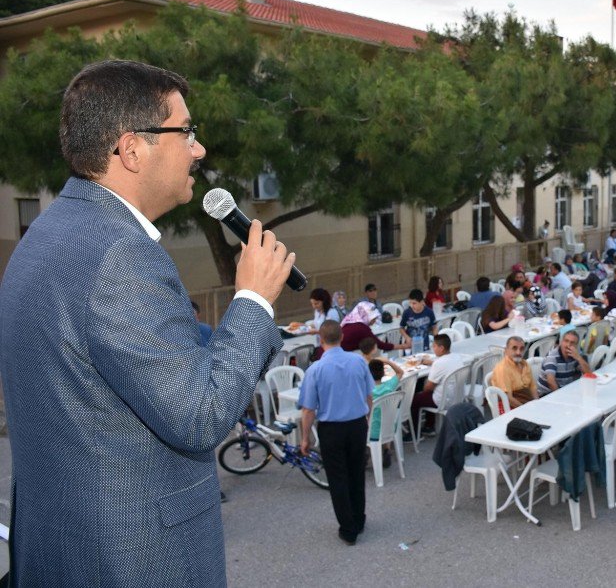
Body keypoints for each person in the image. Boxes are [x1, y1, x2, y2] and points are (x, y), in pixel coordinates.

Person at [0, 60, 292, 584]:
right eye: (187, 132)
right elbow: (200, 417)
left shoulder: (44, 236)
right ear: (132, 149)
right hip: (134, 562)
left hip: (59, 552)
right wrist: (254, 299)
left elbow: (119, 364)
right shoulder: (120, 255)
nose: (199, 149)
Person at [299, 321, 374, 546]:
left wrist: (305, 438)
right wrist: (366, 418)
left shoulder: (315, 370)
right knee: (356, 473)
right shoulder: (358, 361)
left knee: (338, 478)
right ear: (341, 337)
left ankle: (348, 528)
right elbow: (369, 394)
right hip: (357, 424)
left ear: (320, 341)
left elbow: (308, 409)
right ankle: (359, 519)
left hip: (332, 428)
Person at [410, 333, 466, 436]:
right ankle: (429, 425)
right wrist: (431, 362)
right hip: (457, 396)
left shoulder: (439, 363)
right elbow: (445, 364)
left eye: (434, 346)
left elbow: (428, 388)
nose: (433, 348)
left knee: (414, 400)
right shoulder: (456, 356)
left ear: (441, 348)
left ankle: (413, 433)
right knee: (426, 395)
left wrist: (421, 387)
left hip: (444, 400)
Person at [341, 302, 410, 353]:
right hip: (346, 355)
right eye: (373, 318)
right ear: (365, 315)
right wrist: (404, 346)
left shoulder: (349, 321)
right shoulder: (361, 328)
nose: (374, 321)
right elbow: (380, 345)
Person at [537, 329, 591, 394]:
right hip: (547, 394)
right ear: (561, 342)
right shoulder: (552, 357)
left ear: (576, 345)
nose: (568, 345)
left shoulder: (575, 354)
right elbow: (551, 382)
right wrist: (562, 397)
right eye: (566, 341)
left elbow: (589, 374)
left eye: (572, 343)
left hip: (566, 390)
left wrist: (579, 358)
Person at [490, 336, 538, 407]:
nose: (518, 352)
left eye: (521, 349)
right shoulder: (503, 368)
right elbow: (508, 399)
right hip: (511, 407)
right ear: (506, 351)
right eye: (514, 348)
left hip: (527, 402)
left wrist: (537, 404)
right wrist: (527, 410)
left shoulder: (525, 364)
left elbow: (533, 388)